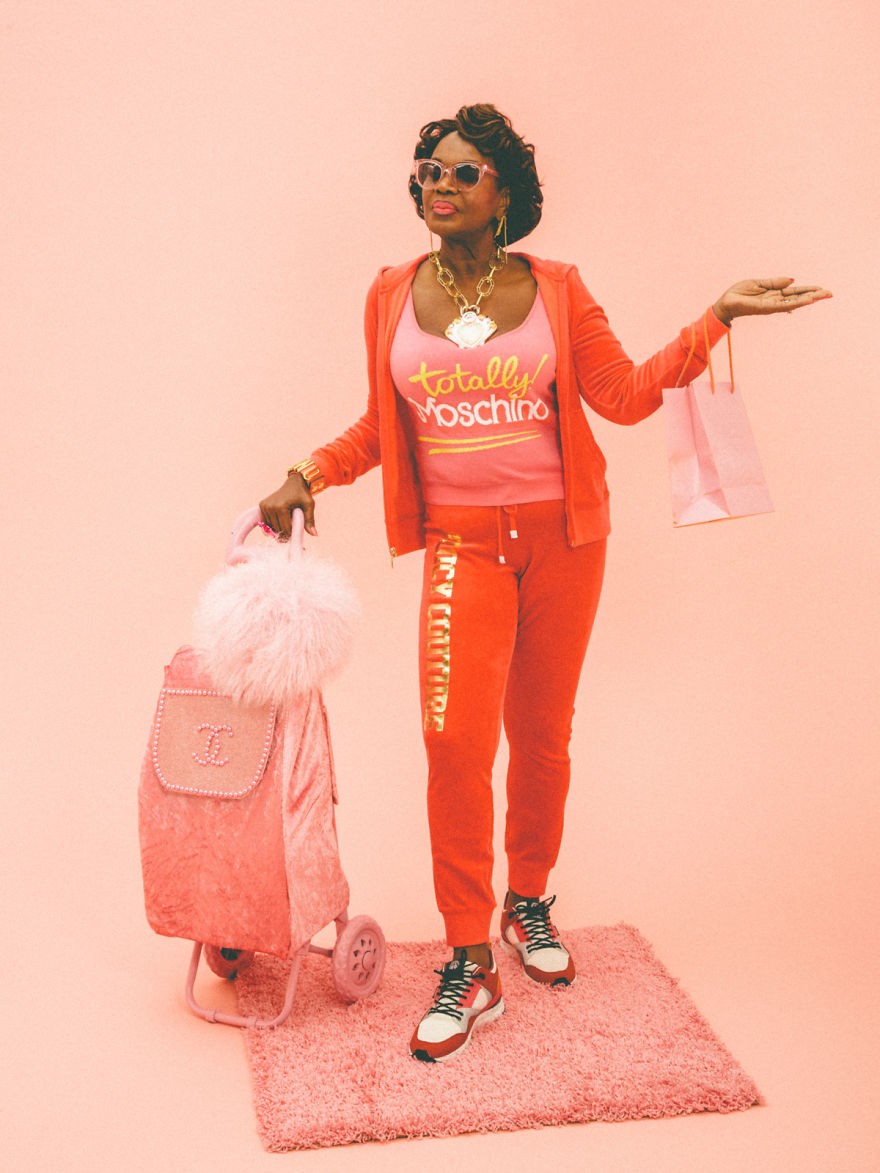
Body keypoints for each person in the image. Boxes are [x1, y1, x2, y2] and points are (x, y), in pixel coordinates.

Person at [259, 104, 831, 1063]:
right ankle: (469, 959)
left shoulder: (557, 288)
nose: (439, 185)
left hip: (565, 541)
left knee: (541, 735)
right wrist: (306, 474)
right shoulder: (391, 293)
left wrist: (717, 318)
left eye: (462, 172)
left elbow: (625, 395)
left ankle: (527, 900)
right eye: (428, 171)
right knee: (453, 743)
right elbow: (381, 424)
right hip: (461, 547)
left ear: (506, 194)